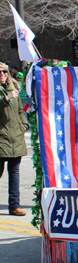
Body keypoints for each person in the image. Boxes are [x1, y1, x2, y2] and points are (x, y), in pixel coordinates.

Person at [0, 62, 30, 216]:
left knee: (14, 173)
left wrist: (23, 125)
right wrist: (6, 98)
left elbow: (20, 110)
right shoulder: (7, 93)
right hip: (1, 138)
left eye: (4, 71)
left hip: (15, 137)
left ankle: (14, 205)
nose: (2, 74)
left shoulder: (14, 89)